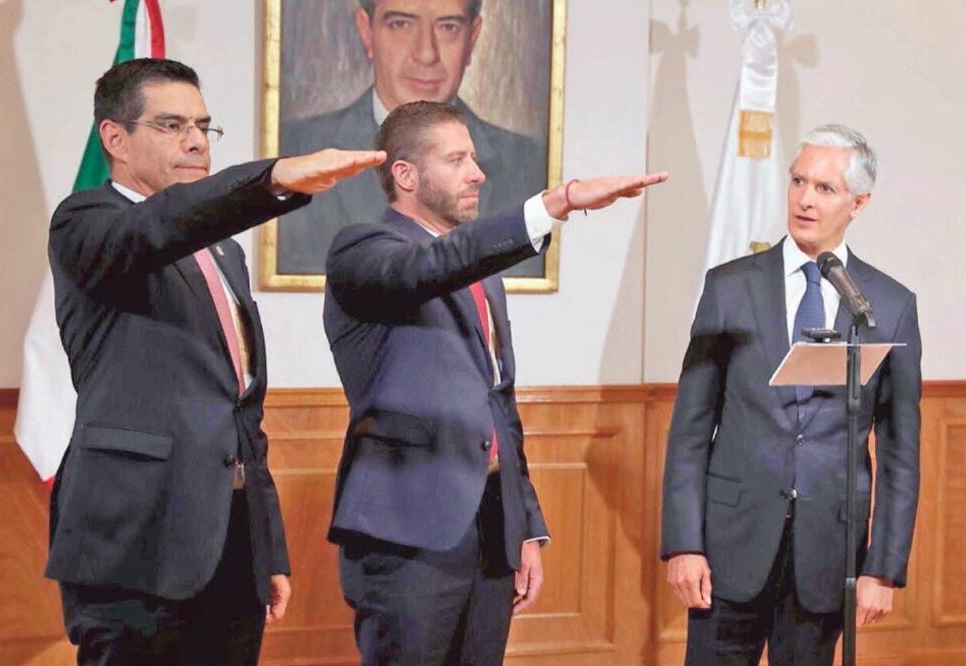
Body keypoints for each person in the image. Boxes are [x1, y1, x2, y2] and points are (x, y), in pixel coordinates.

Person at [44, 57, 384, 665]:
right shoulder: (86, 223)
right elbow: (156, 229)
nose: (197, 140)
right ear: (114, 139)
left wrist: (266, 547)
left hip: (228, 544)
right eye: (172, 125)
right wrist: (275, 176)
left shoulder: (223, 252)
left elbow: (240, 412)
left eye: (203, 125)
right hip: (134, 543)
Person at [323, 100, 668, 665]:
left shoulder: (485, 282)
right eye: (457, 159)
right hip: (406, 535)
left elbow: (498, 405)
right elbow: (427, 268)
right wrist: (556, 203)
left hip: (488, 529)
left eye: (475, 158)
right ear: (406, 175)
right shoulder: (362, 252)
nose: (478, 173)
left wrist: (525, 526)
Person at [661, 124, 922, 665]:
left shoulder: (888, 305)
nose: (805, 199)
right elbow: (689, 429)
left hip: (827, 554)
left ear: (859, 202)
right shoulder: (730, 286)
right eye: (798, 181)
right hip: (729, 547)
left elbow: (900, 454)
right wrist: (684, 544)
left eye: (825, 188)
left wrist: (882, 568)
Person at [278, 0, 547, 275]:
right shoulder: (296, 153)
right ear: (366, 32)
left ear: (473, 37)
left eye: (448, 27)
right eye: (401, 24)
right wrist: (547, 210)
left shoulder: (530, 160)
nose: (426, 53)